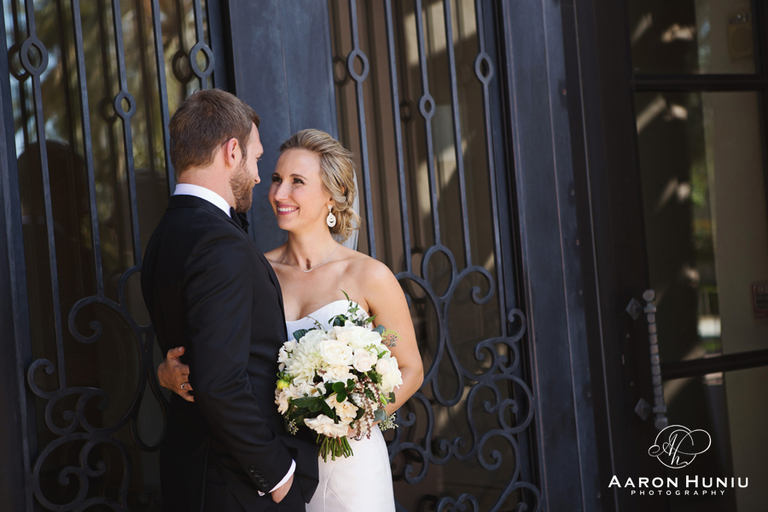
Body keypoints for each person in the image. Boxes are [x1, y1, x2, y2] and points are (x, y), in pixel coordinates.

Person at [158, 129, 424, 511]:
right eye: (277, 179)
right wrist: (164, 372)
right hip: (283, 463)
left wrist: (356, 418)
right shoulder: (253, 269)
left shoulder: (369, 276)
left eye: (297, 182)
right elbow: (217, 356)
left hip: (354, 464)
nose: (279, 194)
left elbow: (410, 368)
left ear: (331, 194)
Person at [141, 90, 318, 512]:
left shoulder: (164, 236)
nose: (259, 177)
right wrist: (279, 475)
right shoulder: (218, 241)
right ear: (232, 151)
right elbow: (220, 382)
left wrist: (171, 372)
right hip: (234, 485)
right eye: (256, 159)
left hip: (193, 472)